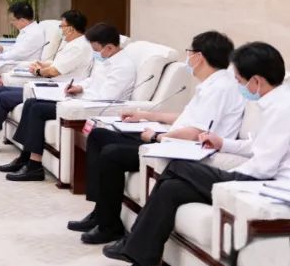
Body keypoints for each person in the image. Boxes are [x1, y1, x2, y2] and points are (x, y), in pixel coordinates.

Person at [96, 41, 290, 266]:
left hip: (265, 185)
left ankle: (132, 244)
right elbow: (257, 145)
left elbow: (263, 167)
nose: (239, 86)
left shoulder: (281, 109)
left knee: (180, 166)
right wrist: (222, 143)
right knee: (171, 189)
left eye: (240, 81)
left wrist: (226, 178)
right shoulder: (275, 102)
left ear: (257, 81)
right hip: (257, 177)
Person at [71, 31, 244, 244]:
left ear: (199, 56)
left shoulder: (219, 89)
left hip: (182, 149)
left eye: (189, 52)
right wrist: (145, 115)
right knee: (99, 135)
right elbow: (186, 118)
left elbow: (196, 132)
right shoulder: (210, 84)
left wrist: (157, 136)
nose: (188, 58)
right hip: (171, 140)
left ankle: (109, 226)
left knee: (112, 154)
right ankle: (100, 213)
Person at [0, 23, 136, 182]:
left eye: (96, 50)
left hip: (91, 106)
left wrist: (79, 94)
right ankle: (25, 157)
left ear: (110, 47)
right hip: (80, 100)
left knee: (37, 109)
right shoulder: (107, 58)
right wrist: (79, 87)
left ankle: (34, 166)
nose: (95, 53)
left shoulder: (122, 67)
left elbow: (105, 96)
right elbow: (92, 80)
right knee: (31, 102)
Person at [0, 9, 93, 152]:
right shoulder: (72, 44)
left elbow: (54, 71)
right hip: (52, 86)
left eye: (62, 26)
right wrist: (43, 64)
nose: (60, 29)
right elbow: (58, 64)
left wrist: (38, 71)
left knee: (2, 98)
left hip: (58, 90)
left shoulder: (78, 47)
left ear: (71, 28)